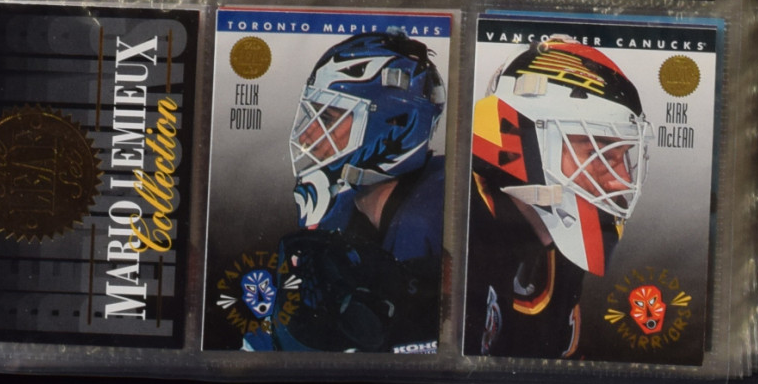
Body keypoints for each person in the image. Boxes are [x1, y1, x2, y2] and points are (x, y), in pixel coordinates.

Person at [237, 31, 446, 352]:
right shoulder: (347, 210)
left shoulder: (433, 213)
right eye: (311, 114)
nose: (306, 136)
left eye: (329, 117)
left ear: (397, 124)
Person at [466, 37, 650, 358]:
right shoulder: (450, 226)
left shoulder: (558, 235)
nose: (620, 179)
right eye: (598, 153)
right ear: (526, 138)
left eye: (622, 155)